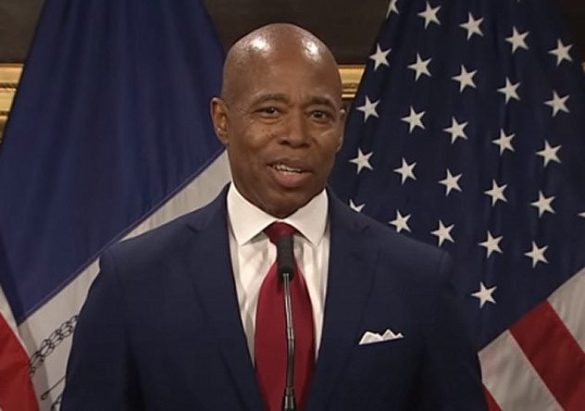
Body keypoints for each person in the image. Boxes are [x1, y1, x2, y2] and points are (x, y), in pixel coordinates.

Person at [61, 23, 487, 410]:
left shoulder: (418, 280)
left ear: (340, 129)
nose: (296, 135)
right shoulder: (133, 280)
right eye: (270, 111)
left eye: (319, 115)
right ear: (223, 120)